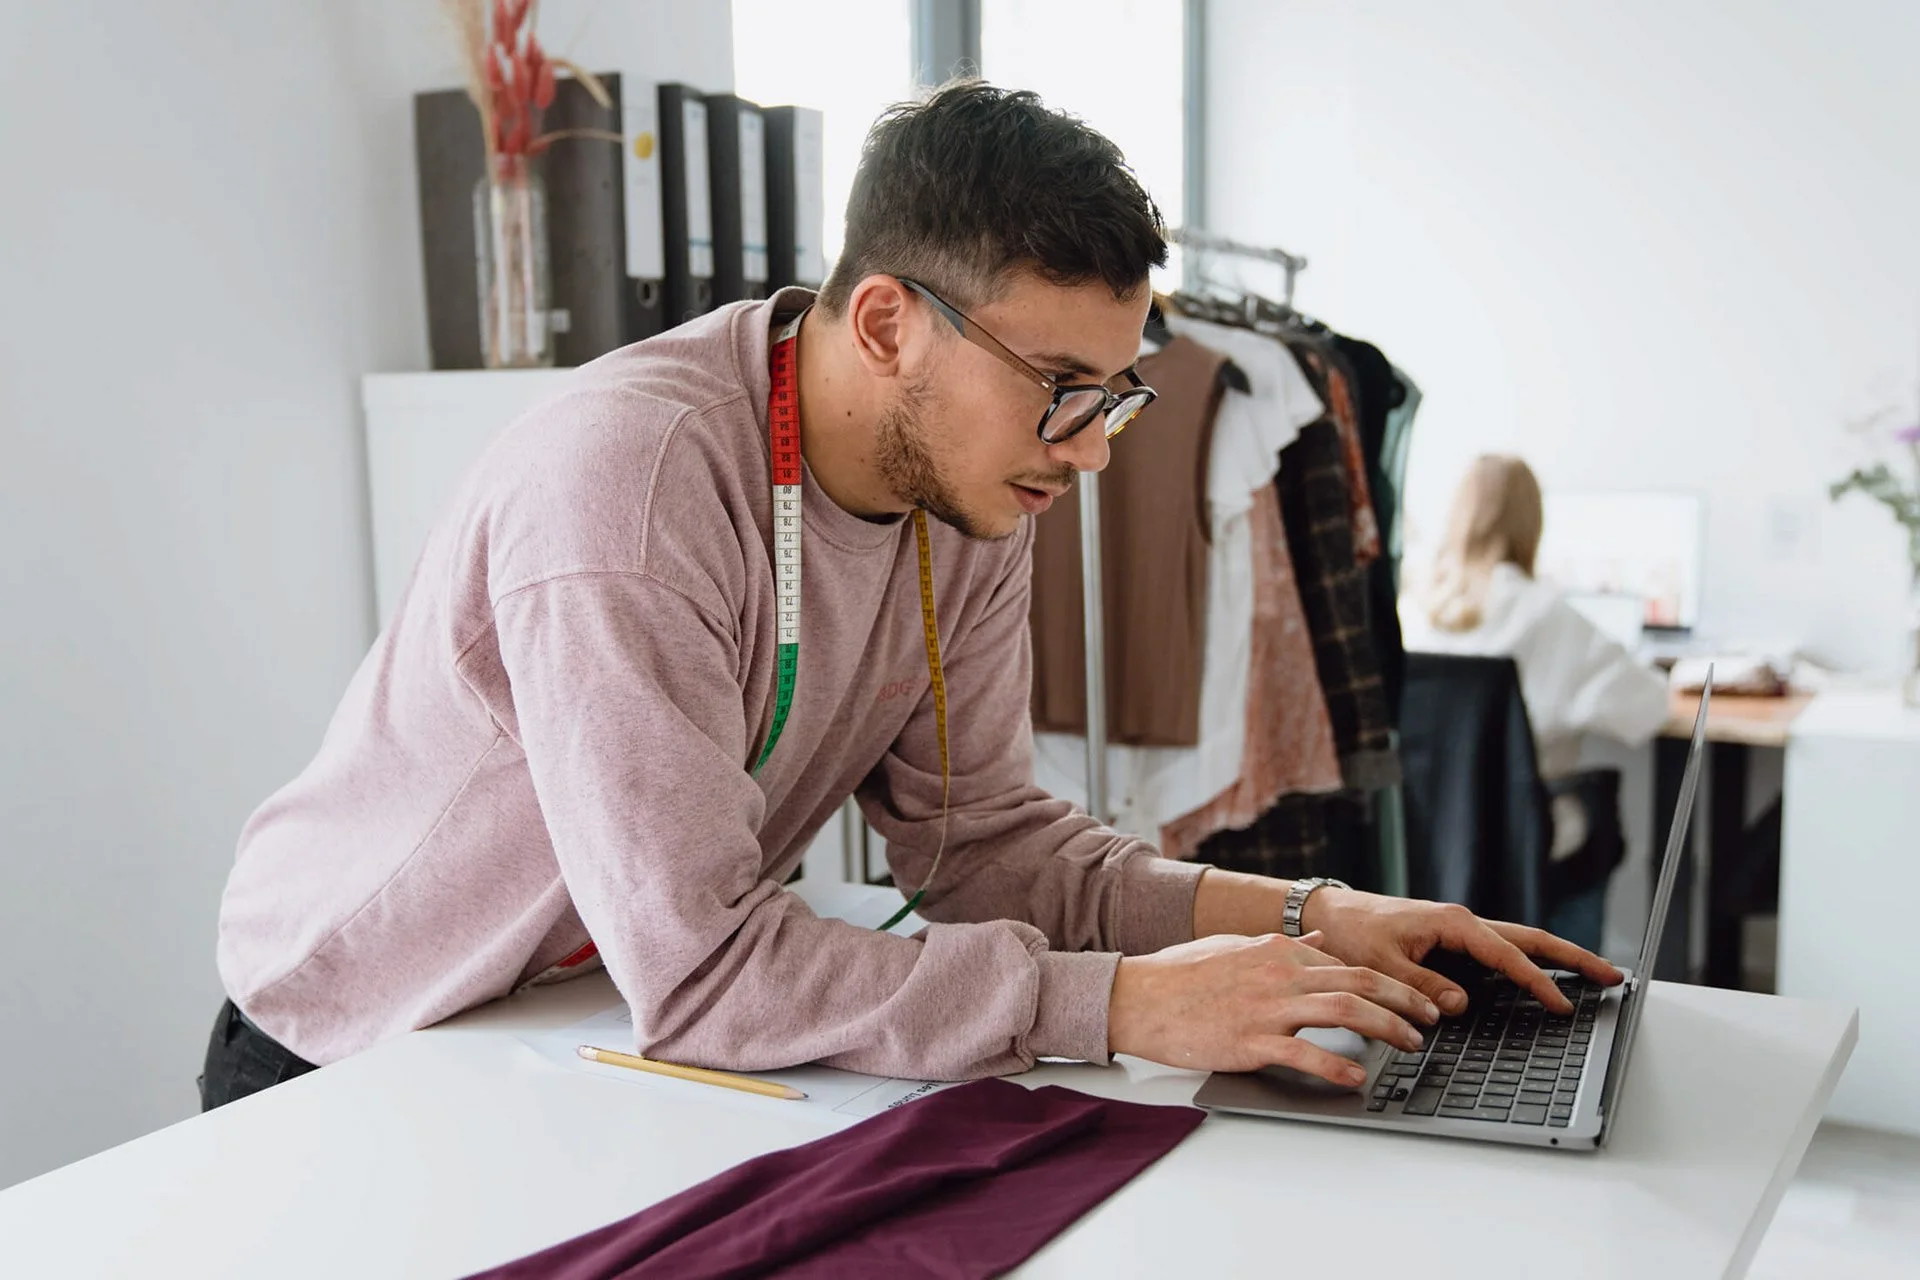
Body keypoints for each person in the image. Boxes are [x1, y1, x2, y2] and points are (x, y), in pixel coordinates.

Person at [201, 83, 1618, 1111]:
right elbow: (707, 978)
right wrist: (1126, 1004)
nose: (1088, 450)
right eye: (1061, 391)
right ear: (887, 323)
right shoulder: (631, 489)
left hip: (569, 1025)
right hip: (359, 1037)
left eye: (1116, 397)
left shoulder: (980, 491)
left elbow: (988, 849)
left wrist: (1313, 914)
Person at [1401, 455, 1673, 855]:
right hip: (1519, 836)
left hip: (1428, 837)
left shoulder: (1413, 612)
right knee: (1597, 827)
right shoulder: (1546, 614)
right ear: (1532, 524)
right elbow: (1648, 707)